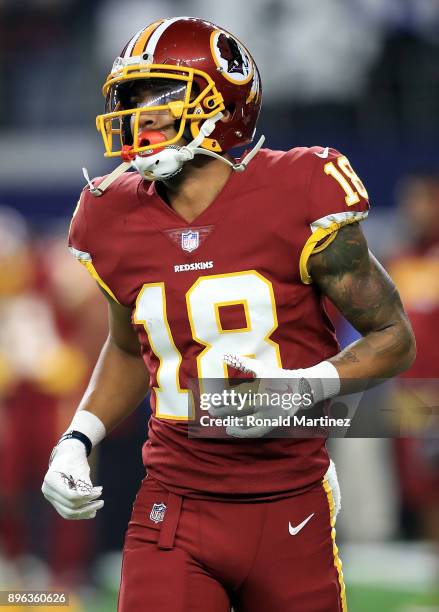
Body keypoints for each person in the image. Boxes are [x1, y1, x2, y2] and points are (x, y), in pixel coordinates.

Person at [42, 16, 416, 611]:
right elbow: (126, 347)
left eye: (160, 95)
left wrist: (304, 388)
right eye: (132, 99)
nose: (141, 116)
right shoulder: (108, 215)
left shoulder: (299, 189)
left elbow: (394, 336)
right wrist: (77, 438)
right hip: (174, 505)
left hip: (290, 501)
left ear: (223, 101)